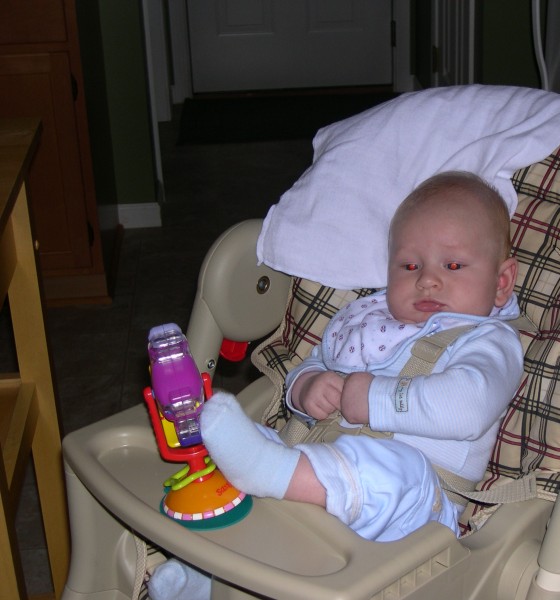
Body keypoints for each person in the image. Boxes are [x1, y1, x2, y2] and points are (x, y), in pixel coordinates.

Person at [147, 171, 524, 599]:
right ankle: (208, 576)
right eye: (409, 265)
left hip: (417, 514)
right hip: (320, 476)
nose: (427, 279)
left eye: (452, 265)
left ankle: (267, 472)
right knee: (261, 436)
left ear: (501, 281)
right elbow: (312, 363)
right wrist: (306, 388)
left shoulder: (490, 340)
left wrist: (374, 399)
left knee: (399, 471)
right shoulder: (369, 321)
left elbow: (469, 405)